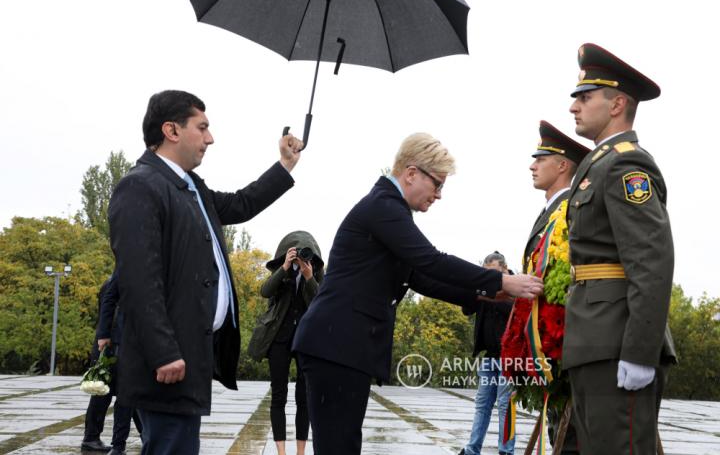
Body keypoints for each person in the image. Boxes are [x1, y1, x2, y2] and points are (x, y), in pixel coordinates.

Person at [292, 132, 544, 455]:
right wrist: (503, 282)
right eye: (437, 184)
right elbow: (431, 260)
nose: (439, 195)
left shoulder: (389, 210)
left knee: (342, 446)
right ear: (411, 173)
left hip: (341, 347)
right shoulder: (384, 207)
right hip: (335, 345)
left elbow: (421, 278)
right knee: (338, 447)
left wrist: (488, 296)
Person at [108, 89, 303, 455]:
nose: (210, 138)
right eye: (202, 127)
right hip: (166, 363)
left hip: (191, 356)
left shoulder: (190, 186)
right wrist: (163, 351)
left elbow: (243, 203)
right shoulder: (140, 186)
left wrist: (285, 164)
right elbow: (138, 282)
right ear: (172, 130)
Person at [564, 43, 676, 455]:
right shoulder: (600, 164)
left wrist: (640, 352)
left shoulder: (627, 165)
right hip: (595, 338)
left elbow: (651, 261)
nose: (574, 106)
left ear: (618, 104)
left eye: (585, 97)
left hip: (617, 342)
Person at [525, 121, 589, 454]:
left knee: (572, 440)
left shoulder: (570, 212)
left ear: (563, 165)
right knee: (559, 436)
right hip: (548, 344)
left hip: (566, 341)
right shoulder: (552, 211)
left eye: (541, 158)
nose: (532, 165)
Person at [247, 231, 325, 455]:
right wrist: (284, 267)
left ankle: (300, 452)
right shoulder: (281, 270)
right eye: (296, 253)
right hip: (279, 339)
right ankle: (281, 452)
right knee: (278, 395)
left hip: (306, 341)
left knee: (304, 397)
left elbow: (322, 301)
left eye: (304, 253)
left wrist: (309, 277)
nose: (301, 257)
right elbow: (265, 291)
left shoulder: (316, 272)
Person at [459, 251, 515, 455]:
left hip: (510, 358)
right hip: (489, 356)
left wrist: (489, 295)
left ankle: (506, 451)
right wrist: (476, 289)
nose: (490, 277)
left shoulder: (515, 287)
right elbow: (466, 309)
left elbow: (514, 310)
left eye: (494, 273)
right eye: (486, 273)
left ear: (505, 270)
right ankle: (472, 449)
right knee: (482, 405)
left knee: (505, 406)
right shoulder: (483, 288)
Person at [81, 273, 142, 455]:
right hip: (112, 346)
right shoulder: (116, 282)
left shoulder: (113, 280)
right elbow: (111, 314)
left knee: (117, 394)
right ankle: (94, 438)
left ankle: (94, 438)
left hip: (111, 344)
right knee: (113, 394)